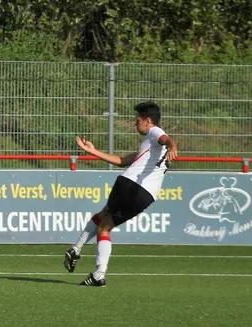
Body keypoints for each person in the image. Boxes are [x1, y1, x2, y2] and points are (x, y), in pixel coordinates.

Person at [64, 101, 178, 287]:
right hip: (146, 196)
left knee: (102, 221)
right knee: (104, 224)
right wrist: (92, 151)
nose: (135, 124)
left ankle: (79, 252)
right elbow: (122, 160)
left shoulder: (154, 132)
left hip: (129, 185)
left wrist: (173, 147)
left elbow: (167, 138)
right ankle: (94, 270)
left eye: (137, 120)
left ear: (148, 121)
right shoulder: (150, 147)